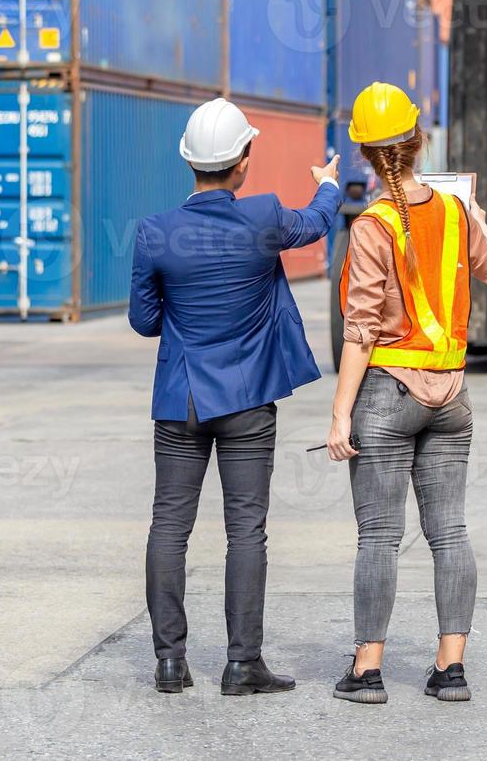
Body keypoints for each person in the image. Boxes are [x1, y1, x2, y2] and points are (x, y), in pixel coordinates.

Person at [128, 97, 340, 696]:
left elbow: (145, 322)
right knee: (246, 530)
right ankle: (242, 664)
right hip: (247, 401)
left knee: (169, 526)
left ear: (188, 162)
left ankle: (170, 663)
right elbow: (318, 222)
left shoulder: (154, 233)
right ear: (243, 161)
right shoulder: (263, 217)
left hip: (180, 400)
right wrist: (327, 185)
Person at [326, 82, 487, 705]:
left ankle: (368, 671)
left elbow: (359, 332)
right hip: (452, 396)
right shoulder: (457, 213)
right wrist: (478, 223)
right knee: (449, 532)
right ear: (418, 142)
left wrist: (339, 416)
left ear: (363, 154)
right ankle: (450, 669)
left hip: (387, 393)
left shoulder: (371, 226)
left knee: (379, 536)